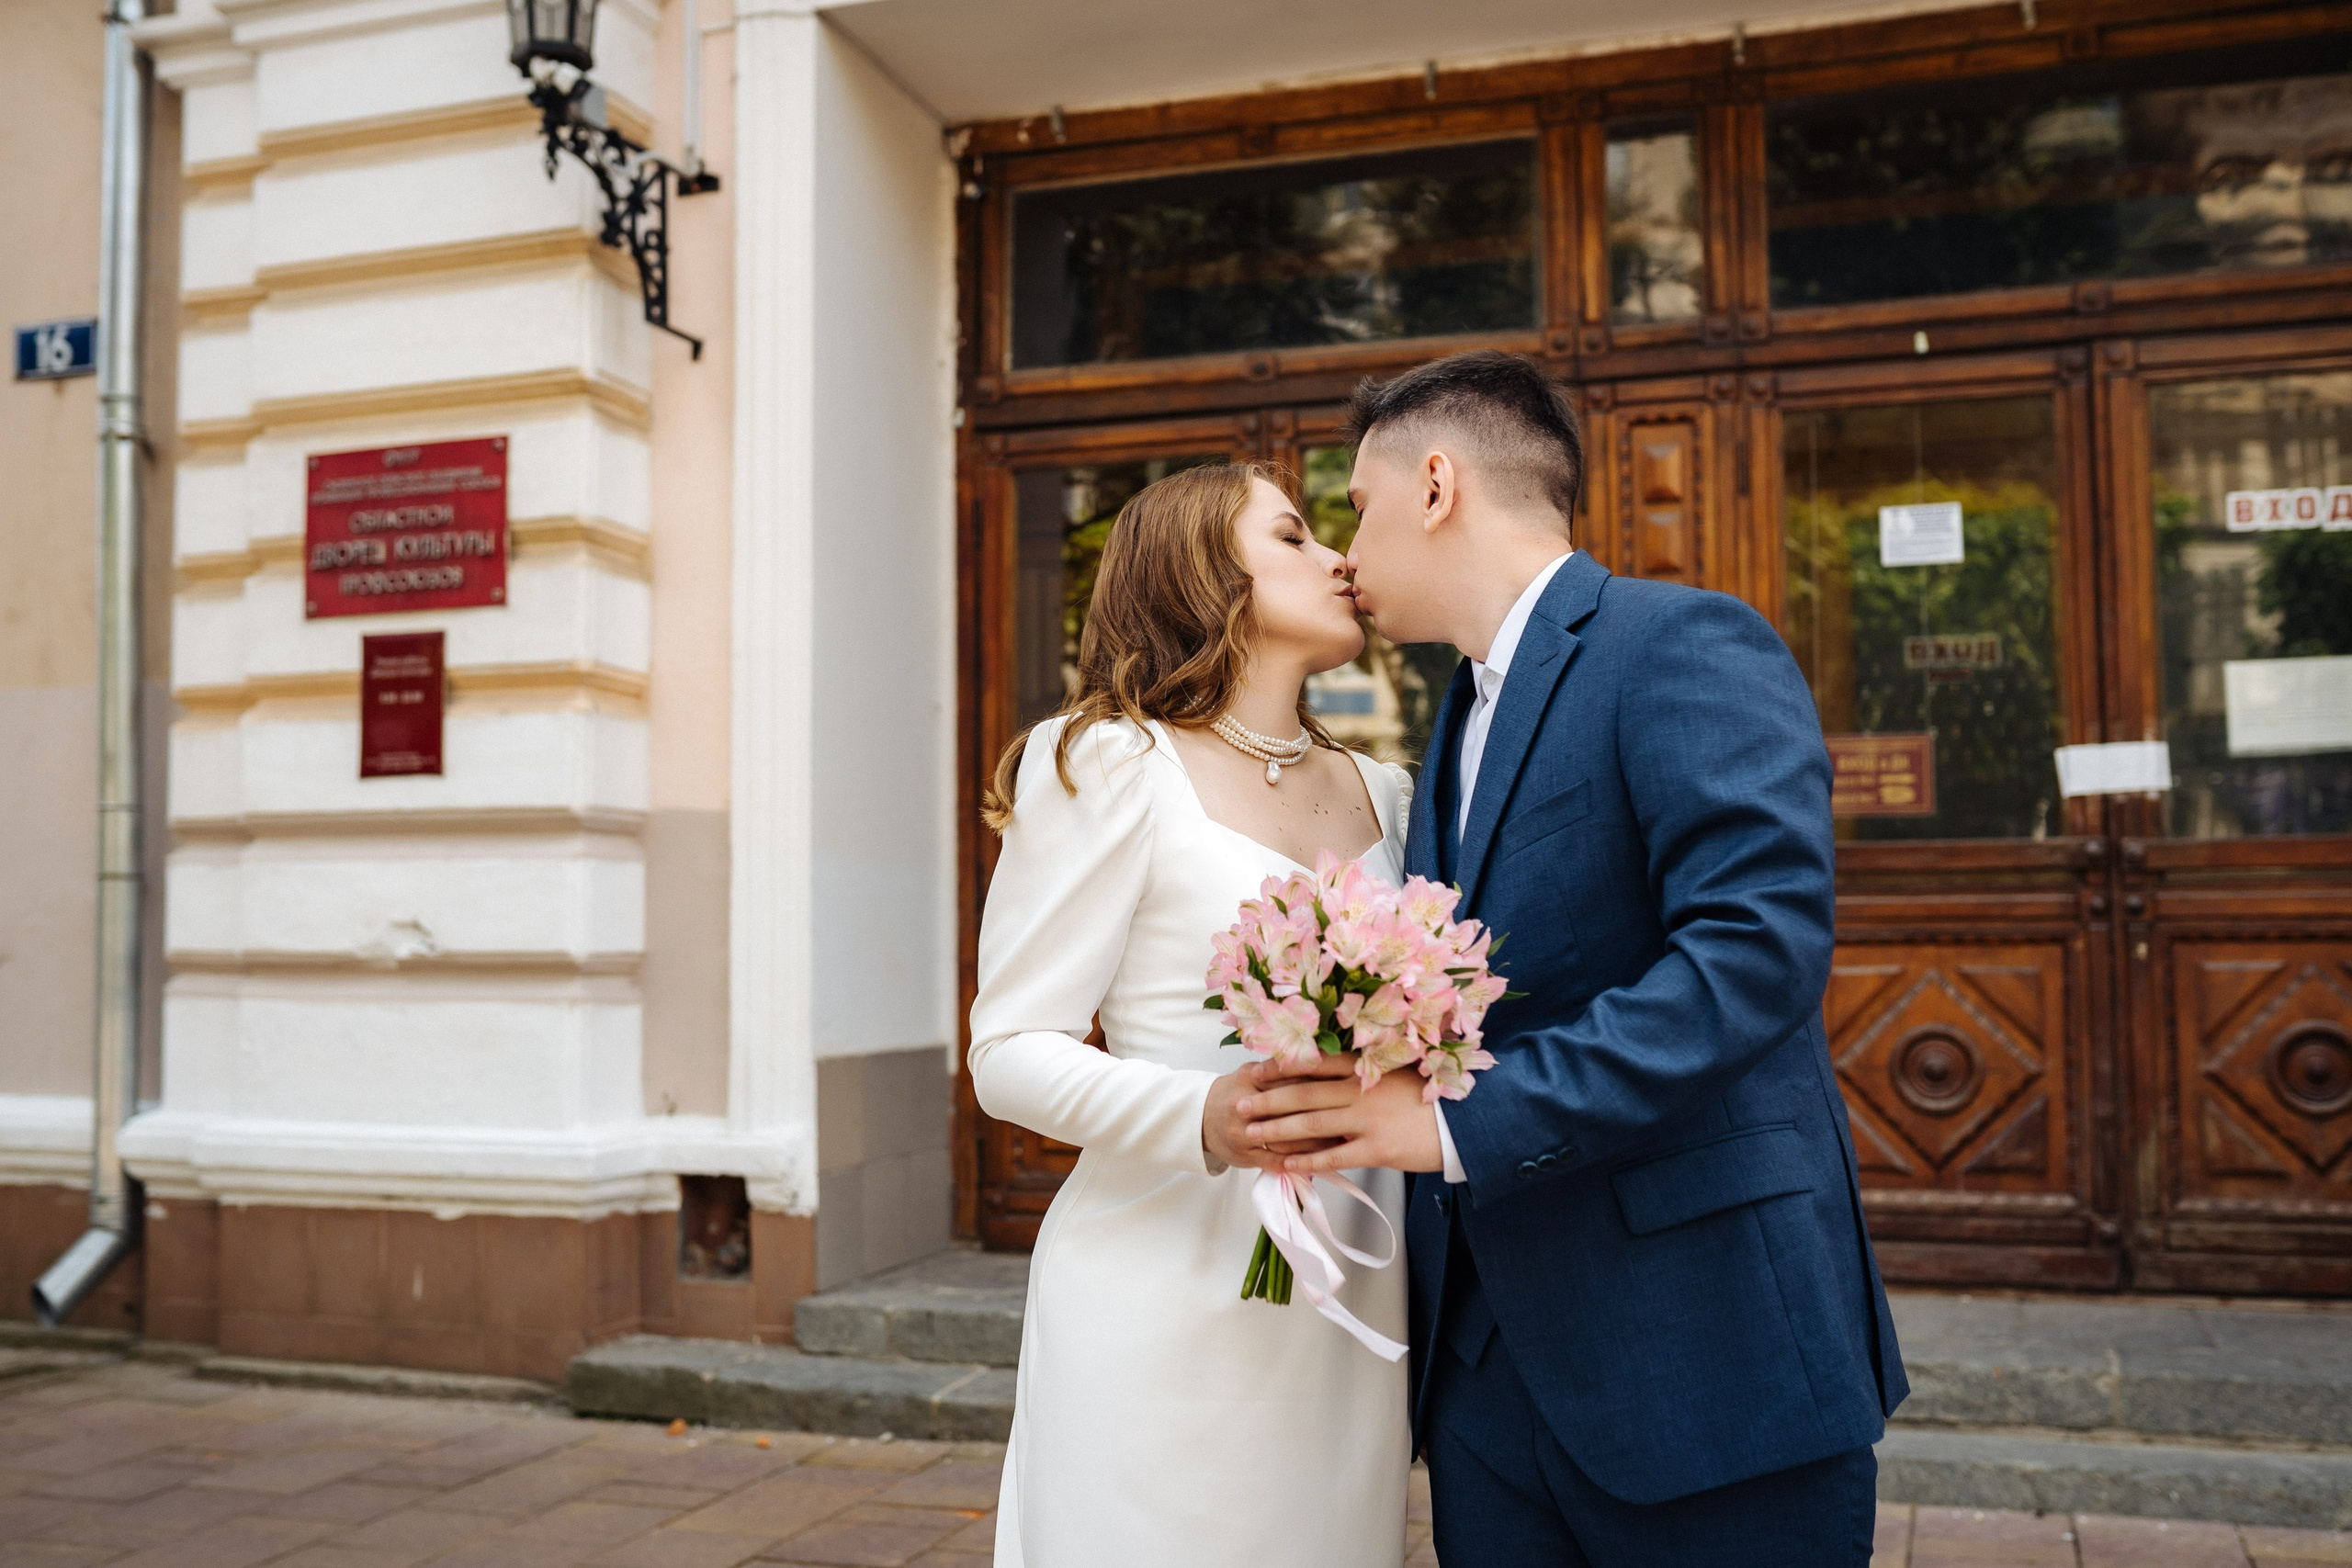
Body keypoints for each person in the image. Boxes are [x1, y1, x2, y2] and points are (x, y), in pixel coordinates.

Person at [1242, 350, 1909, 1565]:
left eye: (1357, 503)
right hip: (1493, 1385)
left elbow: (1753, 954)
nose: (1348, 547)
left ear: (1435, 482)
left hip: (1707, 1358)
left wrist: (1450, 1126)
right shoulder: (1450, 718)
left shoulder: (1677, 642)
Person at [967, 462, 1414, 1567]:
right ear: (1208, 575)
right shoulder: (1108, 762)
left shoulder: (1389, 792)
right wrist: (1205, 1116)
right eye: (1296, 537)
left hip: (1350, 1290)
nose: (1338, 559)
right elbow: (1008, 1052)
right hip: (1158, 1283)